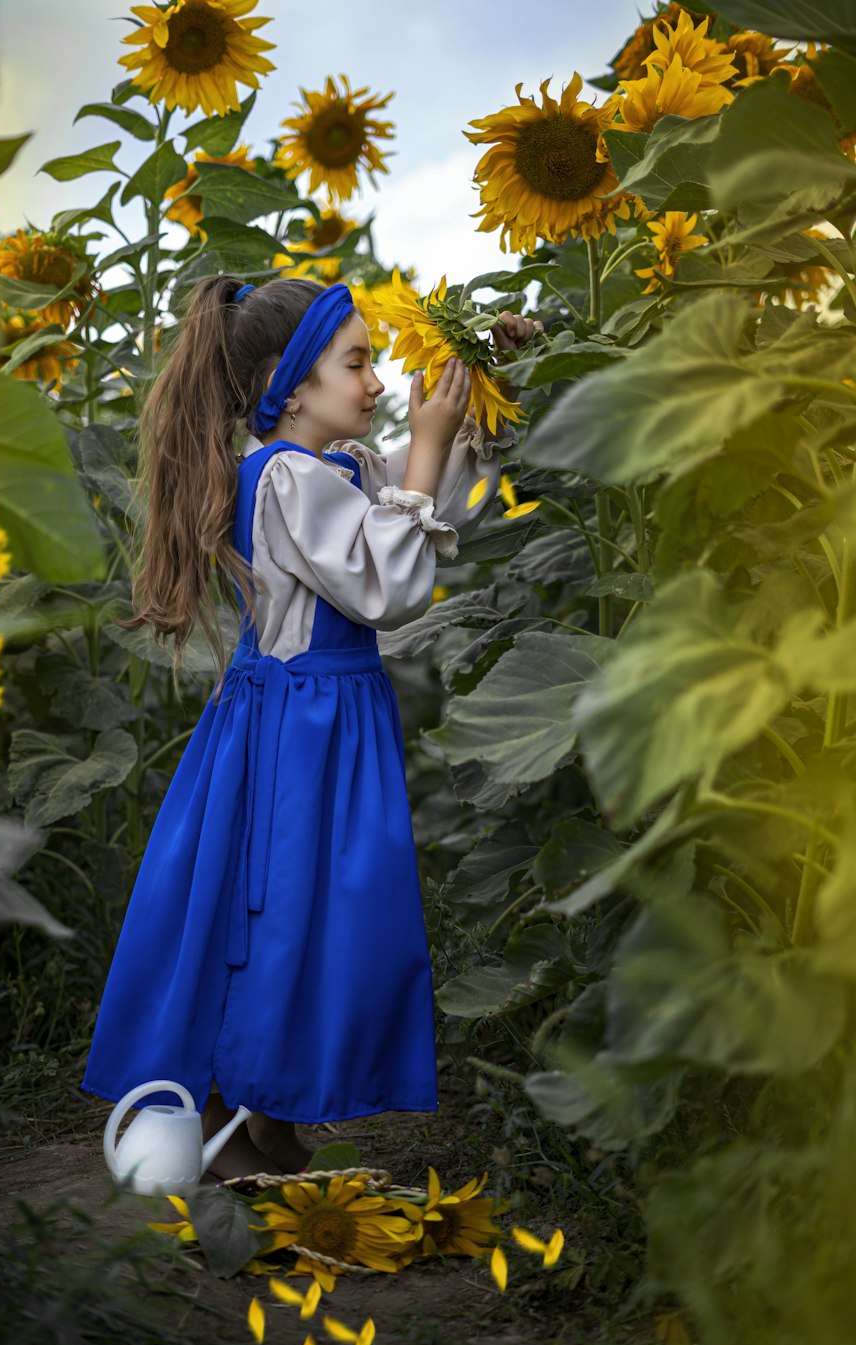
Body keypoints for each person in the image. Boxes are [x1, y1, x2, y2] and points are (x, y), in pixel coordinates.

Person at [81, 272, 541, 1184]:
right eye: (358, 363)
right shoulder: (285, 480)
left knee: (321, 916)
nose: (376, 383)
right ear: (291, 386)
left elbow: (433, 510)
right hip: (298, 733)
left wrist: (479, 389)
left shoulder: (342, 470)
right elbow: (388, 588)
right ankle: (237, 1104)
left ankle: (266, 1107)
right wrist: (426, 449)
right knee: (280, 913)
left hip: (325, 720)